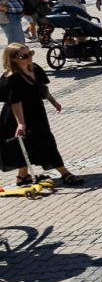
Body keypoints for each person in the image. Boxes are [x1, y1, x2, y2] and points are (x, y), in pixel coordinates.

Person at [0, 43, 81, 187]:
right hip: (17, 115)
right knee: (39, 143)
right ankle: (65, 173)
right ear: (12, 59)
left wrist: (53, 102)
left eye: (30, 53)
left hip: (36, 111)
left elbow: (42, 88)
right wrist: (20, 123)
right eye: (24, 56)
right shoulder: (12, 78)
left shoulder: (35, 68)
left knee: (37, 142)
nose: (29, 57)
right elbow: (15, 102)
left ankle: (22, 177)